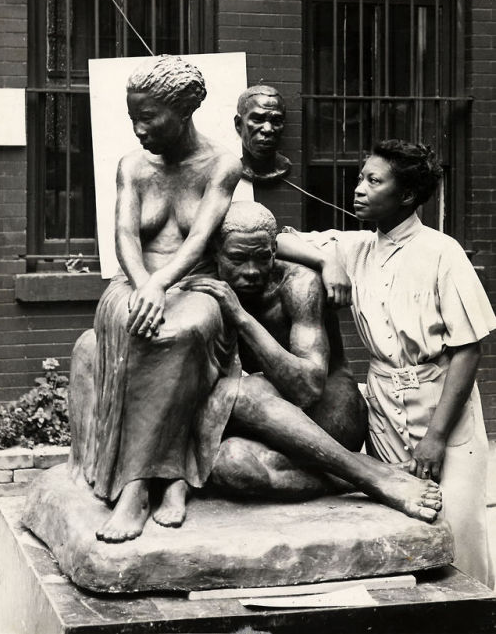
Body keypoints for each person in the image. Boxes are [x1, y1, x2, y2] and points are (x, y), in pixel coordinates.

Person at [277, 140, 496, 587]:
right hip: (383, 412)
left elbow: (468, 351)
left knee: (458, 536)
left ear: (408, 196)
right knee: (400, 535)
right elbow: (269, 239)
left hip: (445, 412)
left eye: (374, 181)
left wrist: (435, 439)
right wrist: (324, 259)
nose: (358, 188)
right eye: (361, 176)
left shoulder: (442, 252)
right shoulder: (355, 247)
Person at [182, 201, 443, 522]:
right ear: (215, 253)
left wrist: (241, 318)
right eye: (237, 259)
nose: (251, 271)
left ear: (274, 251)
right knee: (229, 464)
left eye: (262, 258)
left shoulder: (299, 286)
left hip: (332, 415)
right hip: (275, 416)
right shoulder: (205, 280)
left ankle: (373, 478)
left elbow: (307, 388)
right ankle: (366, 473)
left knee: (238, 393)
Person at [75, 55, 242, 543]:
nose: (139, 128)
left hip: (196, 284)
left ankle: (150, 482)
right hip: (133, 280)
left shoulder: (222, 164)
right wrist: (145, 282)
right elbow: (125, 234)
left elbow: (200, 239)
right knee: (138, 322)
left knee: (181, 331)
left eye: (149, 117)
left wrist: (163, 283)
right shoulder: (133, 165)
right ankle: (154, 483)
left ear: (185, 110)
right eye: (133, 117)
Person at [234, 85, 291, 183]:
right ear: (239, 124)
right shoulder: (230, 169)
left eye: (276, 121)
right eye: (258, 119)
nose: (268, 129)